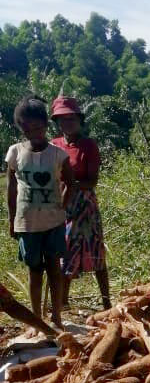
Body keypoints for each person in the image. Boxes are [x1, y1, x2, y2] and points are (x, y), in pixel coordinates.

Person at [5, 95, 73, 330]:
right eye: (26, 127)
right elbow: (11, 188)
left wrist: (62, 206)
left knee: (54, 268)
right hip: (27, 223)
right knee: (34, 271)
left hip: (53, 222)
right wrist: (11, 219)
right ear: (20, 127)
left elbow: (70, 183)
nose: (33, 131)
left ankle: (56, 318)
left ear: (45, 125)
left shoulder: (57, 154)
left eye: (37, 126)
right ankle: (36, 320)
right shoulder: (15, 152)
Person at [50, 96, 111, 310]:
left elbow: (92, 180)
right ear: (57, 122)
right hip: (61, 206)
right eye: (62, 119)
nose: (67, 123)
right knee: (63, 252)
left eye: (71, 118)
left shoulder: (88, 145)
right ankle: (62, 303)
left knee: (96, 253)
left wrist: (72, 184)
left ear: (79, 119)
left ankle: (107, 303)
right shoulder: (53, 146)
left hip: (85, 205)